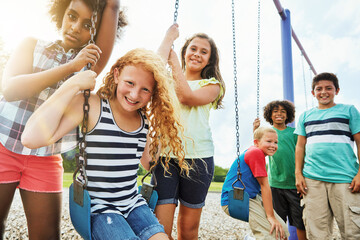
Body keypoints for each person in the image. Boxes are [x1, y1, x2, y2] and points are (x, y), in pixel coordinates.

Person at [22, 48, 191, 240]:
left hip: (133, 204)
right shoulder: (93, 106)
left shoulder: (143, 120)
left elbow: (148, 163)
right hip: (100, 209)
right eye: (130, 83)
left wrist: (162, 124)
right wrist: (72, 85)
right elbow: (30, 138)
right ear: (117, 74)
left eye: (145, 89)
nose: (135, 94)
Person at [0, 0, 126, 238]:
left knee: (47, 235)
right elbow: (10, 88)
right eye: (72, 16)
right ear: (62, 14)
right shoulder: (32, 45)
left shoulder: (89, 64)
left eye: (87, 24)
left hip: (45, 156)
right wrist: (70, 67)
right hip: (3, 145)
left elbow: (112, 6)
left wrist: (77, 66)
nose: (76, 27)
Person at [154, 23, 225, 239]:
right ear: (185, 51)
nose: (197, 54)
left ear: (210, 60)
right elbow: (154, 66)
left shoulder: (212, 85)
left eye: (204, 52)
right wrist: (168, 39)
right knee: (160, 227)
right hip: (166, 157)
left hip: (198, 159)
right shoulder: (167, 79)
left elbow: (186, 96)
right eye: (193, 48)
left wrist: (174, 61)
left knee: (188, 229)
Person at [295, 72, 360, 239]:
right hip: (312, 179)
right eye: (319, 89)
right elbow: (300, 146)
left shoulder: (349, 111)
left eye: (328, 88)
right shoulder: (305, 116)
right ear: (313, 93)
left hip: (344, 177)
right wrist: (298, 174)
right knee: (316, 232)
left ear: (337, 90)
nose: (323, 92)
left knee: (352, 231)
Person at [221, 127, 289, 240]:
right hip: (234, 200)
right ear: (256, 142)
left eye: (276, 142)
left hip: (250, 198)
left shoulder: (256, 152)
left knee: (282, 232)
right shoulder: (255, 153)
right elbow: (264, 185)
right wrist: (270, 216)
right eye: (269, 141)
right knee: (272, 235)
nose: (273, 145)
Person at [253, 100, 306, 240]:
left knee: (300, 222)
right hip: (275, 184)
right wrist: (255, 130)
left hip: (294, 184)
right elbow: (258, 149)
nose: (279, 114)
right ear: (269, 115)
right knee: (278, 222)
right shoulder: (266, 133)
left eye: (283, 111)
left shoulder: (294, 133)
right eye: (275, 111)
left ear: (288, 115)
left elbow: (302, 154)